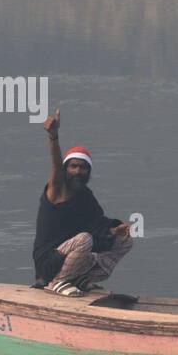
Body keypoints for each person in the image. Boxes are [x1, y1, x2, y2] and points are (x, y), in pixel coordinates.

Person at [31, 109, 133, 296]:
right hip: (49, 262)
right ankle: (57, 282)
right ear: (66, 169)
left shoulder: (86, 197)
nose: (78, 171)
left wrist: (114, 231)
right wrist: (53, 137)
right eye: (73, 166)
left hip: (74, 258)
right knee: (85, 238)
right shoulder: (57, 190)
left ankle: (80, 280)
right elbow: (55, 165)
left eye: (83, 168)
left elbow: (97, 225)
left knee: (124, 241)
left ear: (88, 172)